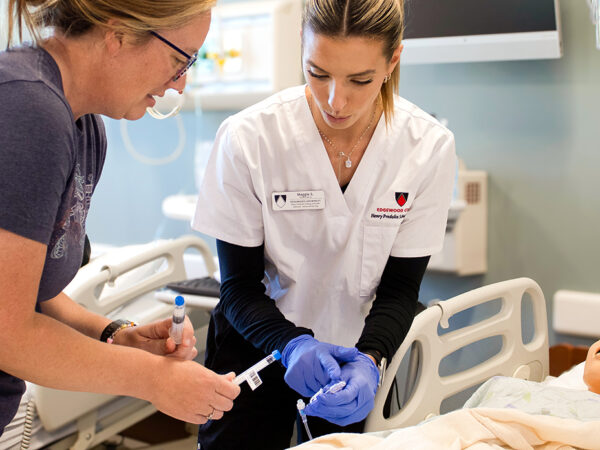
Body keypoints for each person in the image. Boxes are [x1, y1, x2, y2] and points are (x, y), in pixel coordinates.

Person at [192, 0, 456, 448]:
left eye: (360, 80)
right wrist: (293, 346)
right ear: (301, 47)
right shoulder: (250, 138)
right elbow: (238, 287)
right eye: (318, 73)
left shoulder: (425, 148)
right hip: (257, 345)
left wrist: (370, 360)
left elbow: (399, 292)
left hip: (358, 356)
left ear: (392, 61)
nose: (337, 100)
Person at [0, 0, 240, 437]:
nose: (180, 84)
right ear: (119, 34)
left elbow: (29, 291)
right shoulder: (25, 108)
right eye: (178, 59)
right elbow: (7, 331)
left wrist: (114, 333)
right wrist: (152, 379)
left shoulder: (85, 127)